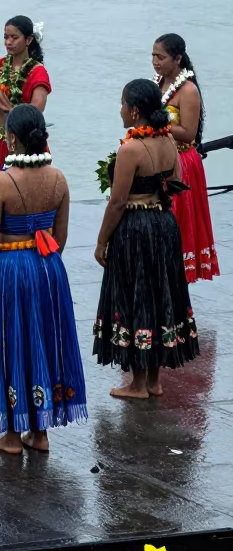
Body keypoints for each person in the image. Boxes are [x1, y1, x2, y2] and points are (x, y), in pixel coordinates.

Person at [0, 104, 86, 454]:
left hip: (10, 268)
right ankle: (39, 434)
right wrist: (45, 263)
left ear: (12, 139)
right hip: (48, 267)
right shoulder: (59, 178)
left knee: (11, 345)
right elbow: (61, 235)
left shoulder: (0, 183)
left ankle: (10, 436)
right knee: (43, 341)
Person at [93, 79, 199, 399]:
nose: (121, 110)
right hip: (164, 226)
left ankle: (137, 385)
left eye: (123, 104)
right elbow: (176, 184)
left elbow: (118, 202)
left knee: (136, 294)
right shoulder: (168, 141)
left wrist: (101, 241)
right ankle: (154, 382)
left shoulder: (131, 148)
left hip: (135, 228)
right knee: (158, 295)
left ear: (135, 110)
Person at [0, 16, 51, 249]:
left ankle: (26, 244)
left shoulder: (38, 73)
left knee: (24, 196)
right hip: (0, 141)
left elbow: (36, 112)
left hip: (26, 144)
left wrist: (10, 110)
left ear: (29, 39)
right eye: (6, 37)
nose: (8, 42)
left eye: (14, 37)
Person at [152, 34, 219, 282]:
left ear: (178, 58)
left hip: (181, 161)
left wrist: (157, 124)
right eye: (153, 56)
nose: (155, 62)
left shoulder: (188, 90)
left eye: (161, 57)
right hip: (160, 158)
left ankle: (178, 278)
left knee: (177, 219)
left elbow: (189, 132)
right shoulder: (159, 83)